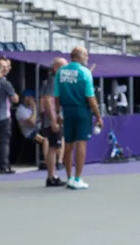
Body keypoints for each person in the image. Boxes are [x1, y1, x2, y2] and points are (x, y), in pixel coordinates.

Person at [56, 46, 103, 190]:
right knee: (81, 144)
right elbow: (90, 97)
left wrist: (59, 113)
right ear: (78, 56)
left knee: (68, 144)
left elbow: (57, 95)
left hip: (67, 111)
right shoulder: (85, 72)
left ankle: (69, 177)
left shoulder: (61, 71)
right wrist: (98, 116)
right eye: (85, 55)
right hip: (81, 111)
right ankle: (77, 178)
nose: (87, 58)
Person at [40, 59, 67, 187]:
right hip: (53, 120)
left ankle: (52, 175)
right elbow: (48, 100)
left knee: (55, 146)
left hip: (54, 118)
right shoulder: (53, 81)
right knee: (54, 147)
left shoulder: (53, 81)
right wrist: (54, 120)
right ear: (57, 68)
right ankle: (51, 176)